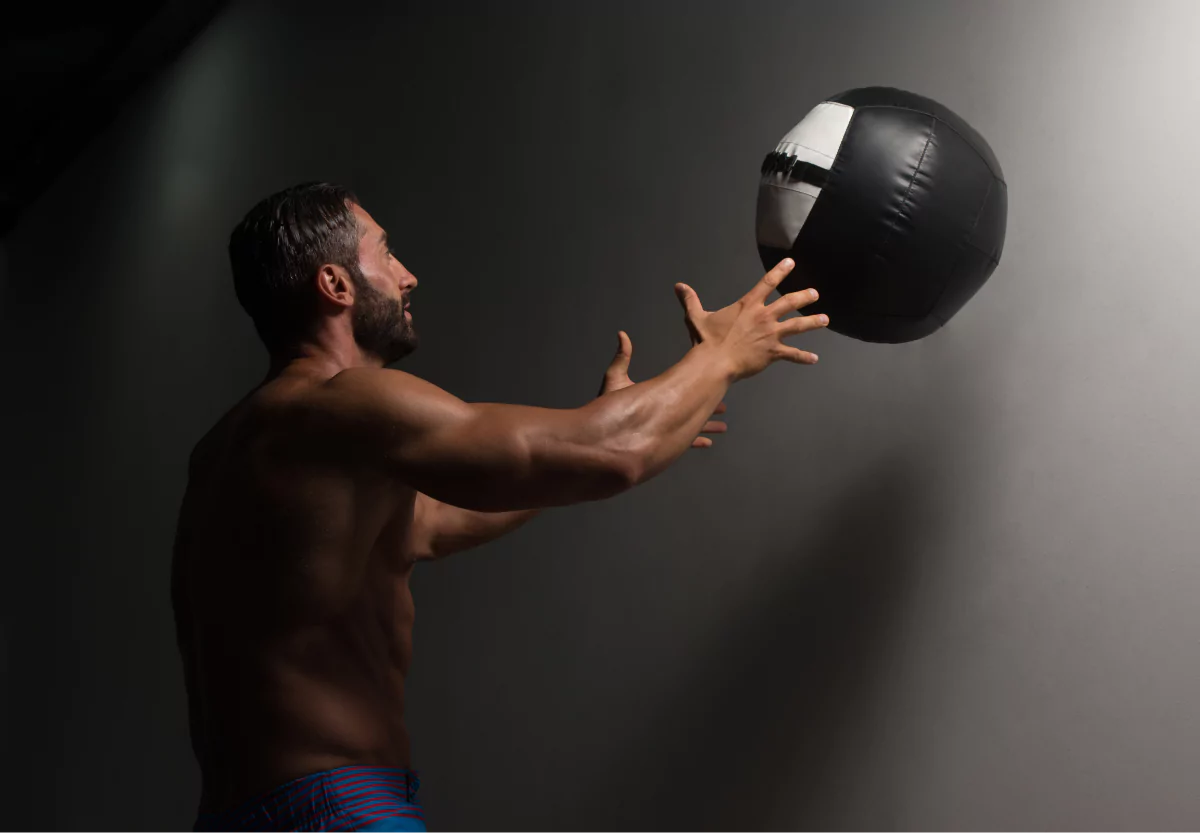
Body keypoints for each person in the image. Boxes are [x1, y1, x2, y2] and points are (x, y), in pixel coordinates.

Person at [171, 182, 829, 832]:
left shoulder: (233, 450)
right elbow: (615, 451)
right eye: (386, 252)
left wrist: (613, 429)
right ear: (336, 286)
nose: (409, 274)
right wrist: (719, 357)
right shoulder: (347, 403)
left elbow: (433, 523)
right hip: (335, 812)